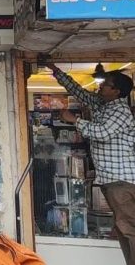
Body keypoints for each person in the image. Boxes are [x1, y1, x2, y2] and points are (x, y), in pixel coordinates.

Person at [47, 63, 135, 264]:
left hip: (121, 181)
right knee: (124, 228)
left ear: (116, 91)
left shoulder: (120, 112)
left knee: (129, 228)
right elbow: (80, 93)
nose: (100, 86)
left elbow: (102, 133)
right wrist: (56, 71)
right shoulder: (103, 104)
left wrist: (75, 120)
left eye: (105, 84)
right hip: (112, 180)